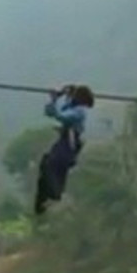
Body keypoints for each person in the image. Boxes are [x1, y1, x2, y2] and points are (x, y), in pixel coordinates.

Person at [35, 84, 95, 215]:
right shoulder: (73, 107)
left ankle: (55, 196)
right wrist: (58, 98)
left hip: (69, 143)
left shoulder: (79, 111)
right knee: (49, 165)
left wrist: (54, 99)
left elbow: (60, 116)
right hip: (66, 142)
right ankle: (44, 202)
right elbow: (50, 112)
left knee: (51, 165)